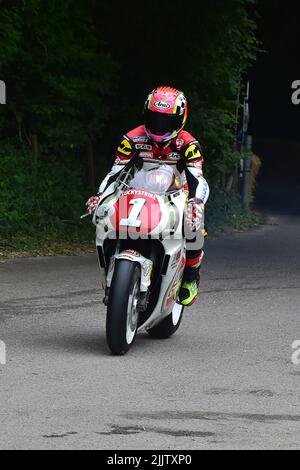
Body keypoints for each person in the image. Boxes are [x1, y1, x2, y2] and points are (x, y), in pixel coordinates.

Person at [87, 86, 210, 306]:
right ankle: (113, 274)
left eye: (166, 122)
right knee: (104, 215)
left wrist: (196, 203)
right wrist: (99, 196)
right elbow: (114, 174)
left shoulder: (189, 144)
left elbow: (198, 179)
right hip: (137, 191)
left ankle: (191, 277)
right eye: (155, 119)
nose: (160, 127)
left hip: (175, 193)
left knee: (193, 223)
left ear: (180, 119)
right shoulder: (131, 139)